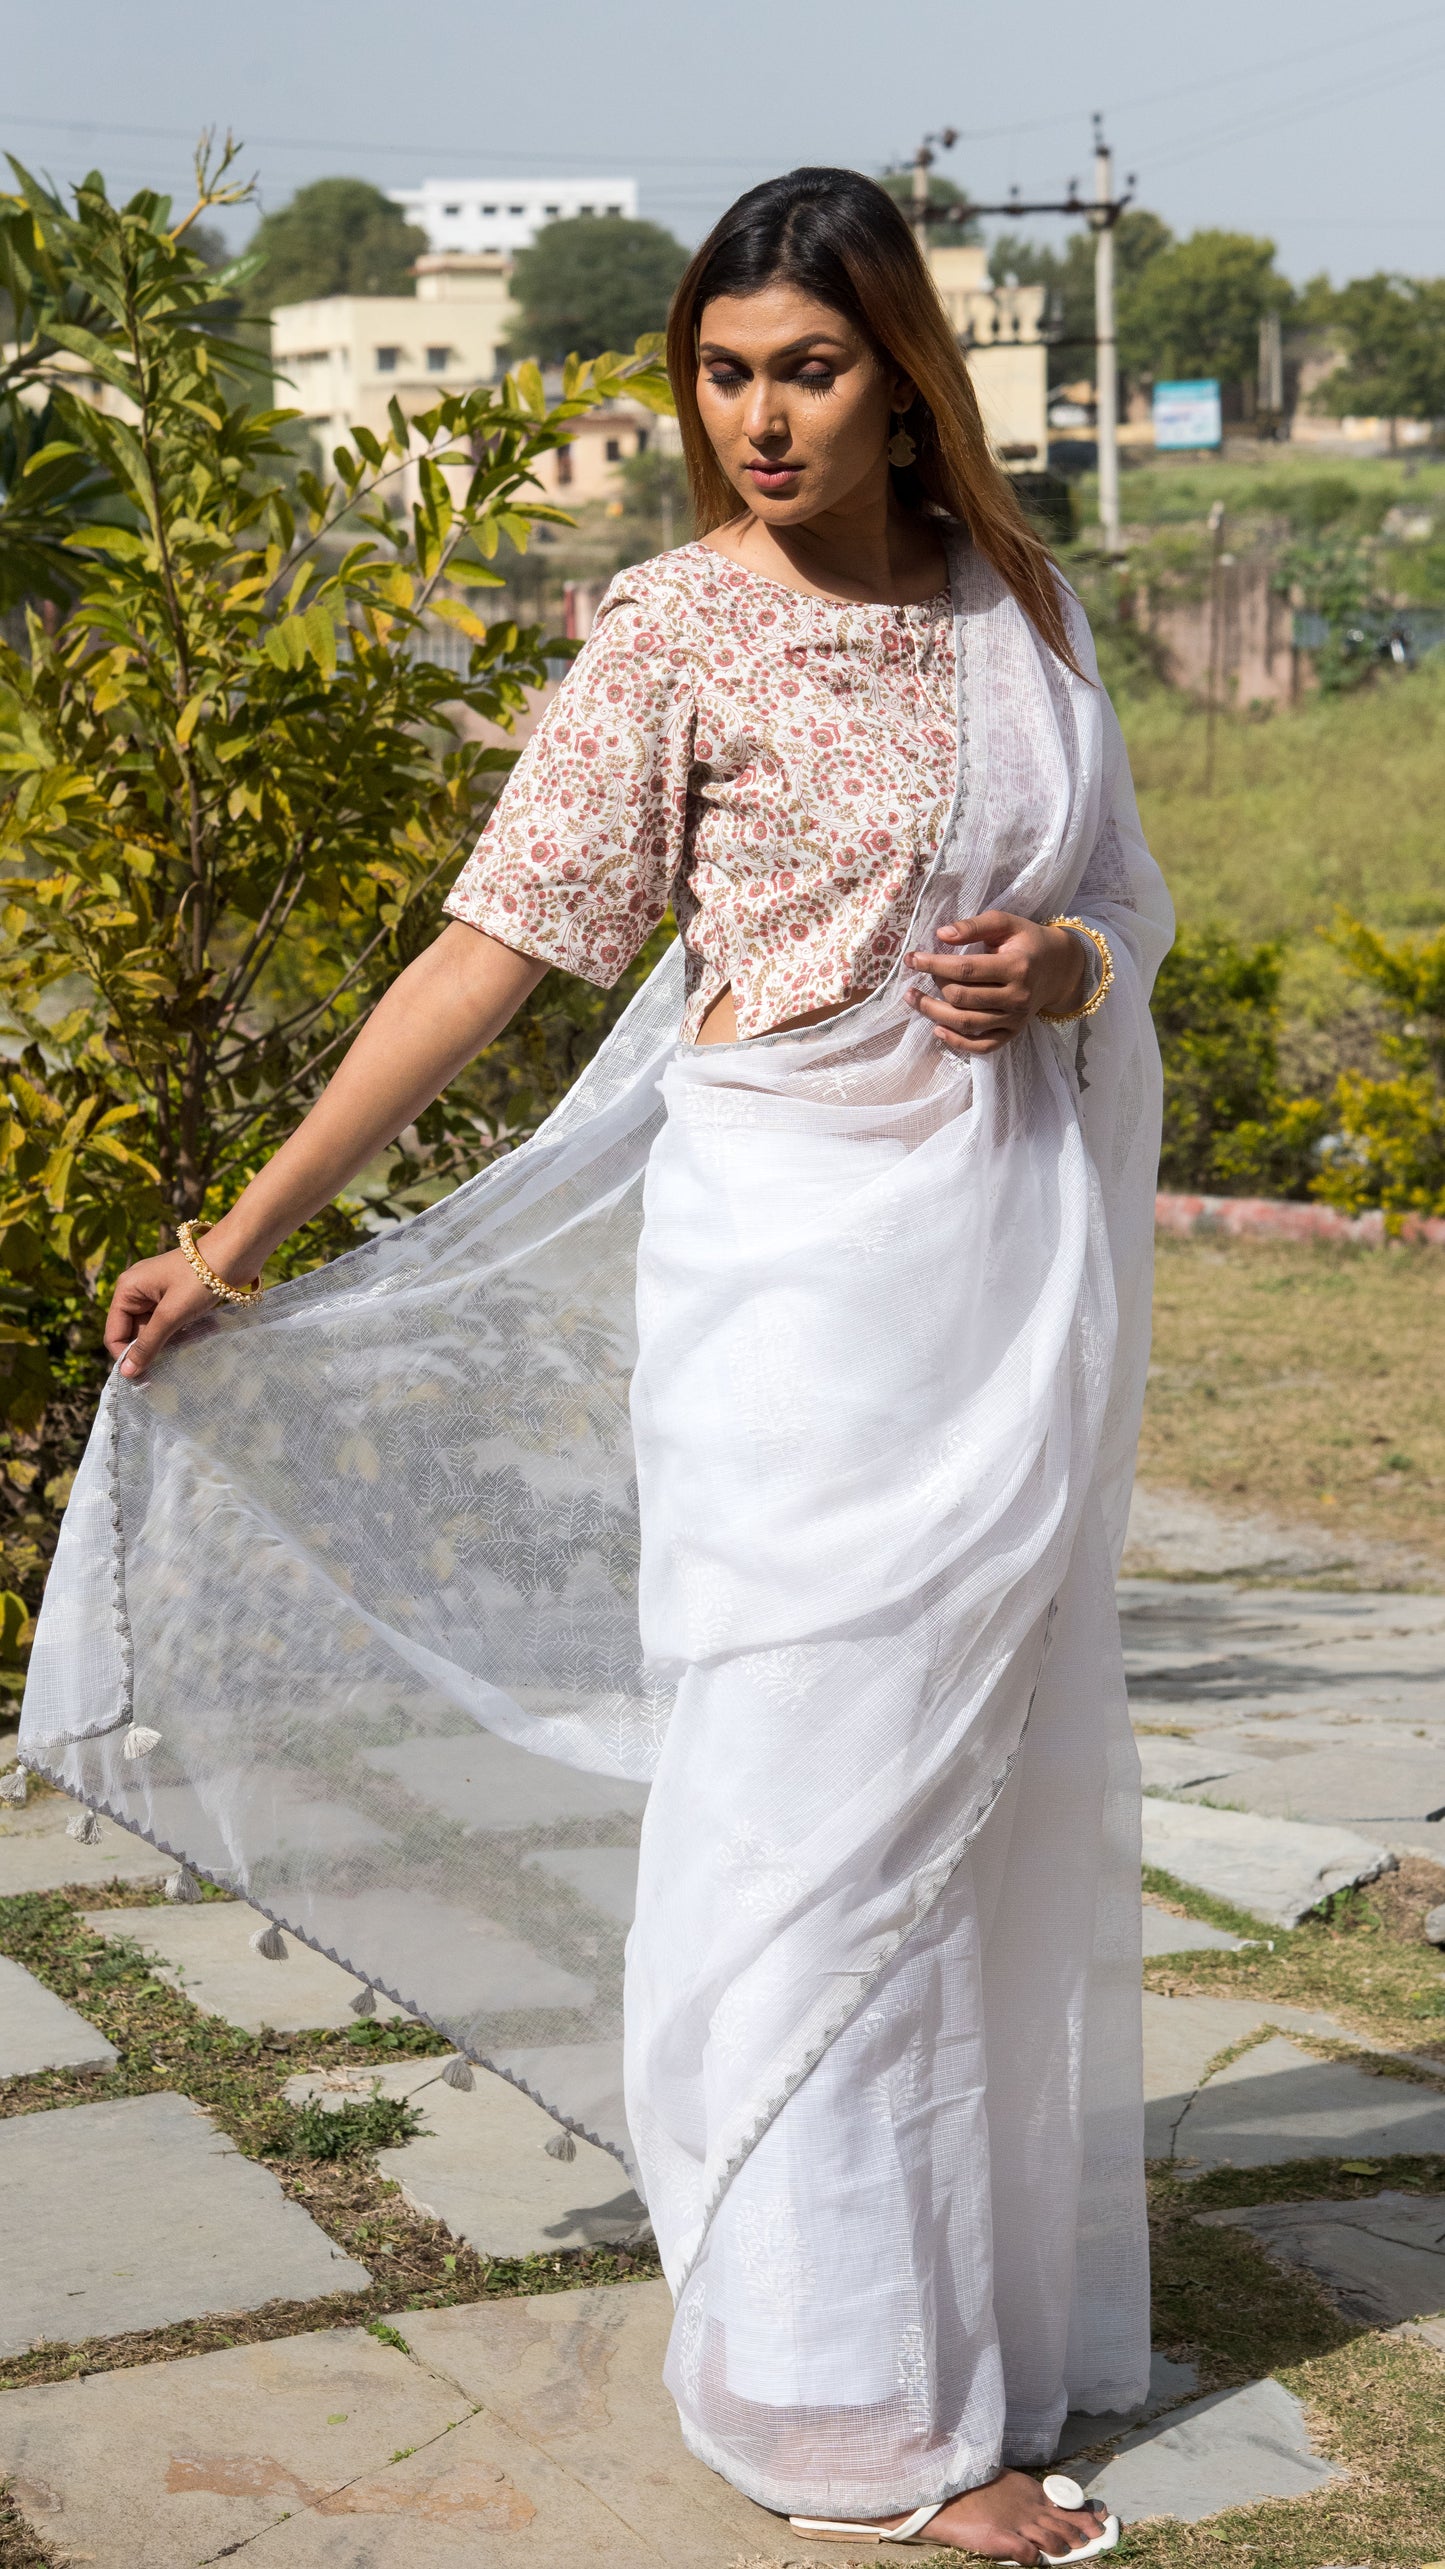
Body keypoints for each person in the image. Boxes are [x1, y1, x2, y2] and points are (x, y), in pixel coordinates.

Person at [23, 168, 1172, 2561]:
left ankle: (974, 2325)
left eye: (812, 369)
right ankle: (843, 2381)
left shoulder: (1017, 605)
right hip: (790, 1290)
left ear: (905, 376)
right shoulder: (666, 634)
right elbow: (490, 958)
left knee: (982, 1802)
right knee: (798, 1810)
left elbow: (1122, 916)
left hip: (994, 1263)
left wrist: (1063, 976)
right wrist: (238, 1234)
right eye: (724, 371)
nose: (759, 419)